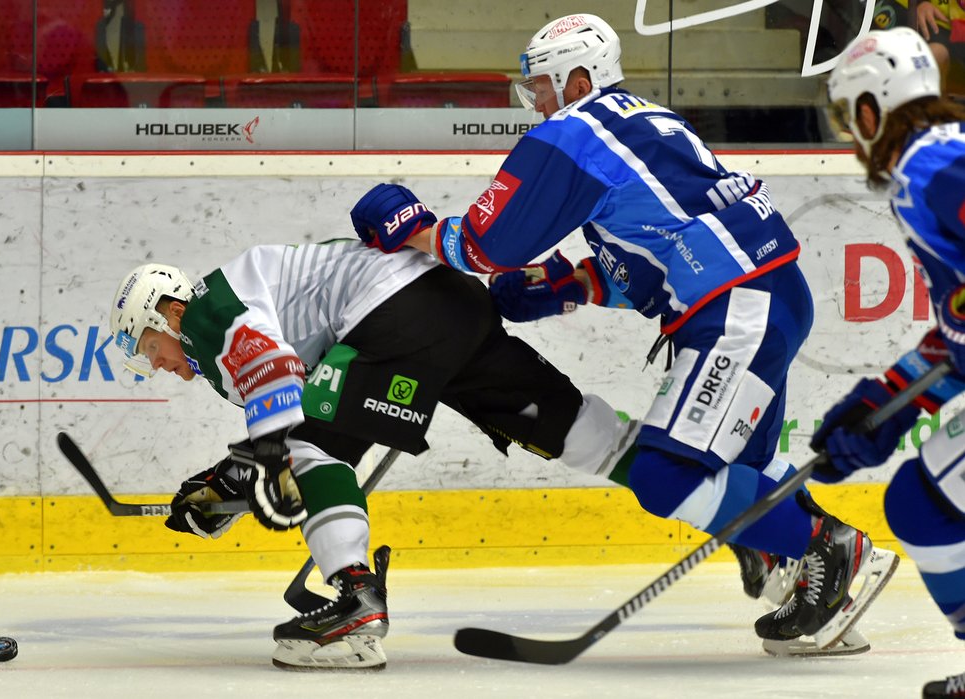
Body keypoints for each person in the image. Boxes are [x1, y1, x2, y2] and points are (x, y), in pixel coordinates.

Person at [347, 12, 900, 655]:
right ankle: (817, 580)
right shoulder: (640, 125)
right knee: (738, 466)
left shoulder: (581, 129)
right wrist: (569, 285)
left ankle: (826, 548)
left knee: (666, 476)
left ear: (579, 78)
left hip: (736, 311)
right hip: (768, 296)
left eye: (544, 87)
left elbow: (487, 241)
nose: (538, 104)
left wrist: (414, 229)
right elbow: (648, 262)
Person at [107, 240, 639, 670]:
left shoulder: (206, 311)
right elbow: (314, 402)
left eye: (150, 348)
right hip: (450, 306)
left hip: (394, 311)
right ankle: (693, 468)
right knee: (578, 434)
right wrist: (224, 485)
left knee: (303, 451)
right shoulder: (232, 321)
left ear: (170, 312)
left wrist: (266, 463)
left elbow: (279, 383)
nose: (158, 365)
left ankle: (355, 601)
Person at [823, 26, 965, 698]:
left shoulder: (932, 166)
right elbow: (956, 332)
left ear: (871, 110)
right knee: (920, 500)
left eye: (849, 117)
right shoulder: (936, 163)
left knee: (920, 503)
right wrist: (882, 406)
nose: (852, 138)